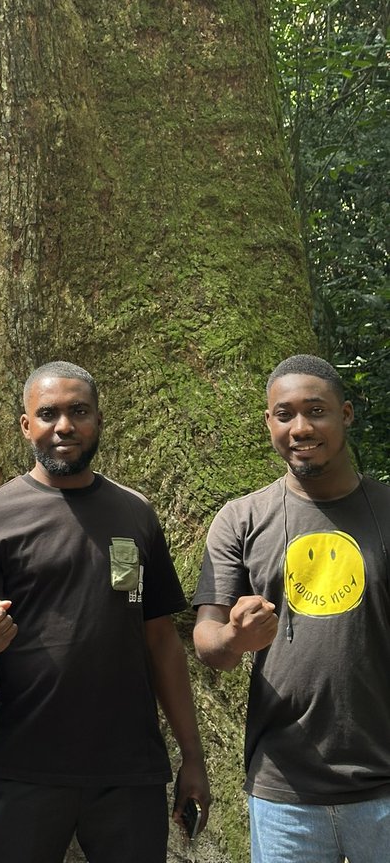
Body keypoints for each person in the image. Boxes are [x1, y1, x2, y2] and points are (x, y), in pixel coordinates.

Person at [0, 360, 210, 863]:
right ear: (26, 425)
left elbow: (162, 643)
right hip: (26, 768)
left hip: (130, 773)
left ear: (98, 420)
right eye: (47, 414)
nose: (63, 426)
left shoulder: (136, 514)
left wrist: (192, 758)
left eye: (78, 411)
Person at [193, 353, 390, 862]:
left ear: (345, 414)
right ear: (268, 423)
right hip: (285, 789)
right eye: (284, 415)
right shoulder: (240, 519)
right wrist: (235, 639)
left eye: (316, 411)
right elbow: (207, 640)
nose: (300, 427)